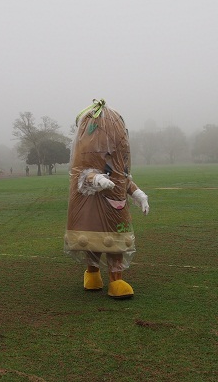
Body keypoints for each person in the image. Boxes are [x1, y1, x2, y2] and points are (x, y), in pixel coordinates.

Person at [64, 99, 150, 299]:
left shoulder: (120, 164)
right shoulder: (88, 158)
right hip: (95, 210)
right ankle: (92, 274)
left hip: (117, 211)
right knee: (94, 243)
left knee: (116, 245)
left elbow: (124, 180)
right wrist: (97, 179)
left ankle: (115, 280)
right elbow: (82, 177)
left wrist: (139, 194)